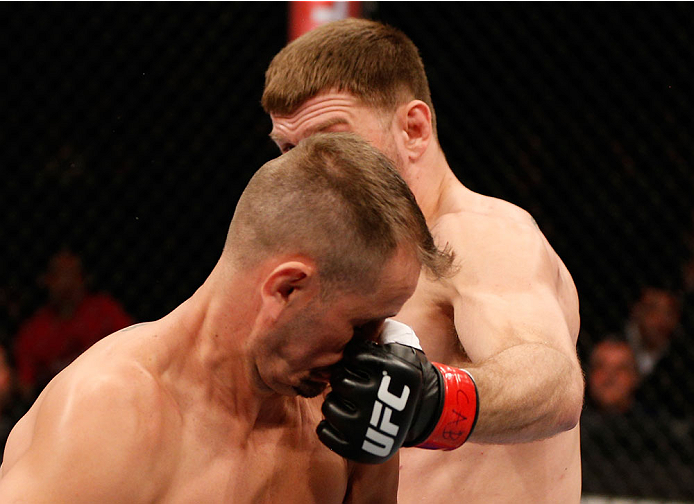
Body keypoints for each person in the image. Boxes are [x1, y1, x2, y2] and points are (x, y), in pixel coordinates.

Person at [0, 133, 454, 503]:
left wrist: (377, 455)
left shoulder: (341, 407)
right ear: (287, 288)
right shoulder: (111, 418)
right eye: (361, 324)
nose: (374, 348)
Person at [262, 18, 584, 502]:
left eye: (330, 141)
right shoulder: (324, 265)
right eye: (288, 150)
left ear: (413, 128)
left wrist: (432, 403)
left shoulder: (481, 234)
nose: (307, 170)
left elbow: (553, 383)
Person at [13, 250, 134, 400]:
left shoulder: (105, 311)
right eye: (59, 275)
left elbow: (132, 351)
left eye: (71, 274)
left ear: (83, 279)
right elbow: (26, 387)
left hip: (109, 393)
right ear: (47, 280)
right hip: (55, 404)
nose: (66, 282)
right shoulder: (33, 330)